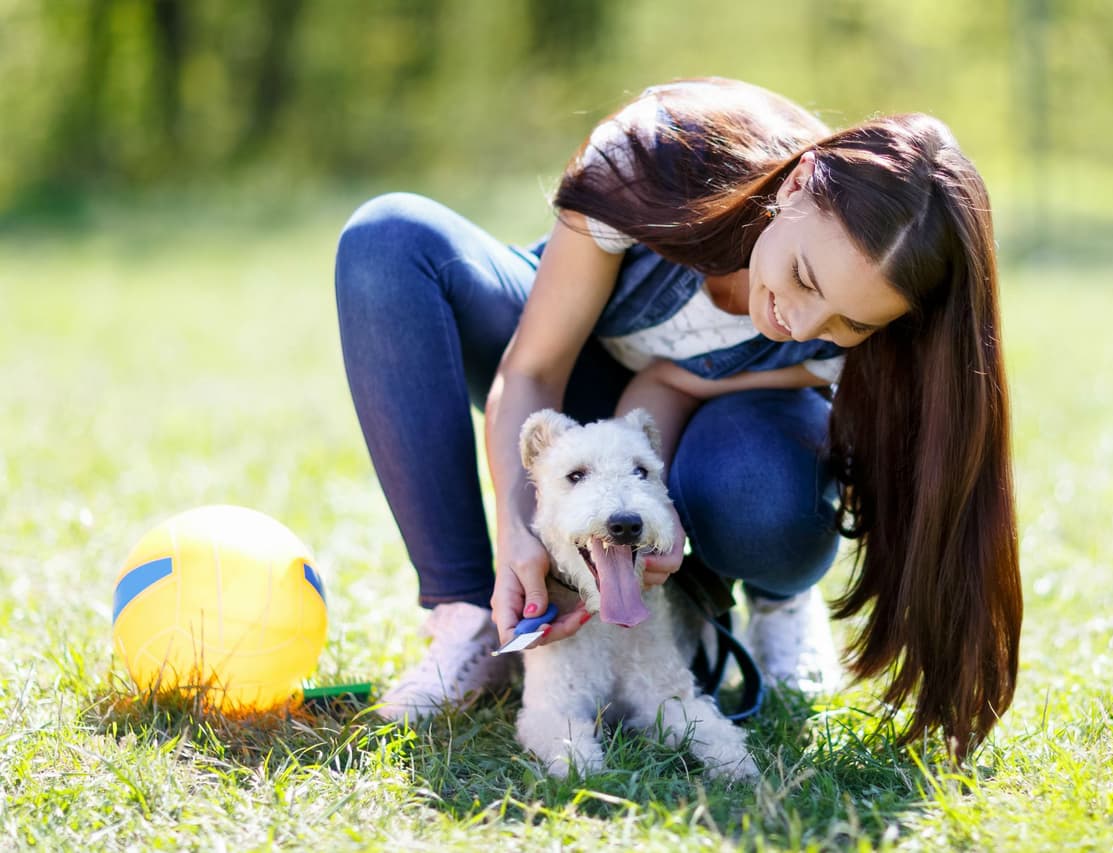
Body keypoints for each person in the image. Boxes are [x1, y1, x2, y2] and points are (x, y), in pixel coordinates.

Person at [335, 77, 1021, 757]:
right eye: (808, 278)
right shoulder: (650, 156)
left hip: (710, 424)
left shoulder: (875, 341)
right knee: (389, 241)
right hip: (571, 363)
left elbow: (676, 380)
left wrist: (652, 505)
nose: (802, 321)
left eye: (847, 320)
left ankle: (775, 603)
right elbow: (535, 370)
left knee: (759, 482)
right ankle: (468, 621)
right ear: (796, 186)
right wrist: (520, 528)